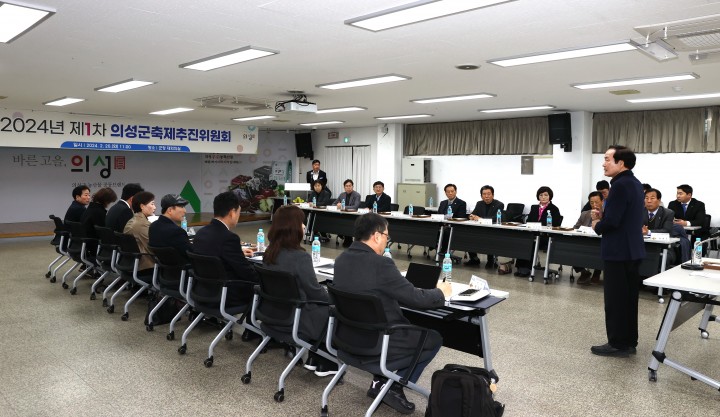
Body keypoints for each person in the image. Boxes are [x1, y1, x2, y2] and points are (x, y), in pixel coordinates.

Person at [333, 213, 451, 414]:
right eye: (387, 236)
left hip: (347, 337)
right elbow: (416, 299)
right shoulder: (381, 264)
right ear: (377, 236)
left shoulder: (341, 259)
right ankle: (393, 388)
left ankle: (381, 382)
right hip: (378, 340)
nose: (387, 240)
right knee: (433, 338)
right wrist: (441, 292)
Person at [262, 205, 335, 377]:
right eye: (301, 222)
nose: (304, 226)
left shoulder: (269, 252)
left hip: (272, 313)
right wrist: (332, 297)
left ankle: (315, 359)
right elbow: (314, 292)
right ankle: (324, 362)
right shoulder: (300, 257)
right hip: (297, 317)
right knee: (333, 310)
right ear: (292, 227)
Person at [590, 145, 645, 357]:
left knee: (615, 300)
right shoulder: (635, 183)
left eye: (607, 159)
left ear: (620, 163)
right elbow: (623, 216)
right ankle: (629, 341)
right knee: (628, 300)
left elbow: (613, 222)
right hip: (632, 250)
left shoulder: (620, 186)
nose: (603, 164)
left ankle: (617, 343)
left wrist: (597, 224)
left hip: (618, 251)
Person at [191, 191, 258, 307]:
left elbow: (215, 252)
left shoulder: (201, 233)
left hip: (202, 290)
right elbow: (246, 273)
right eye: (238, 212)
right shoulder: (229, 238)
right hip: (226, 295)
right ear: (232, 213)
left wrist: (238, 252)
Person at [514, 186, 561, 277]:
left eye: (546, 195)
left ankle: (526, 268)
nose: (543, 197)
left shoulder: (554, 209)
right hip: (533, 233)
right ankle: (520, 267)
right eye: (541, 195)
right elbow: (529, 221)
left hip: (546, 236)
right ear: (538, 196)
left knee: (531, 242)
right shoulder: (534, 207)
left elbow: (555, 224)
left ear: (550, 196)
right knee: (523, 240)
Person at [465, 185, 504, 268]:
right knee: (468, 236)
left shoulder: (499, 204)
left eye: (489, 194)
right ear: (481, 196)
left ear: (493, 195)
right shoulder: (479, 204)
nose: (486, 196)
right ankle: (474, 259)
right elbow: (473, 214)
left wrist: (480, 219)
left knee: (490, 237)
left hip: (493, 230)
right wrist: (471, 216)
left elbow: (495, 218)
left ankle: (491, 260)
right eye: (484, 194)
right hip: (479, 229)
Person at [572, 191, 604, 285]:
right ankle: (584, 272)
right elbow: (575, 228)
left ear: (602, 201)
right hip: (584, 241)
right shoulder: (585, 214)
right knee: (571, 249)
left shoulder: (607, 214)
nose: (594, 205)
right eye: (591, 202)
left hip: (599, 243)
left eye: (597, 202)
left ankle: (597, 272)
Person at [148, 194, 192, 261]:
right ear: (170, 210)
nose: (185, 211)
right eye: (182, 207)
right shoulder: (176, 231)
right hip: (182, 266)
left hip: (163, 266)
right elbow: (190, 253)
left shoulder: (153, 226)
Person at [123, 191, 156, 272]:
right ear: (142, 206)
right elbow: (154, 247)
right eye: (152, 204)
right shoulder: (141, 224)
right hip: (145, 266)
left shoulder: (134, 220)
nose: (155, 207)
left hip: (132, 263)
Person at [334, 179, 362, 247]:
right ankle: (342, 234)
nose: (348, 187)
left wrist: (342, 206)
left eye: (350, 186)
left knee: (347, 222)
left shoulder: (357, 195)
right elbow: (334, 204)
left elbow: (355, 207)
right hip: (342, 215)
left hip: (352, 216)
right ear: (344, 187)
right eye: (346, 186)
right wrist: (337, 205)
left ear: (352, 186)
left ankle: (348, 238)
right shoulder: (342, 195)